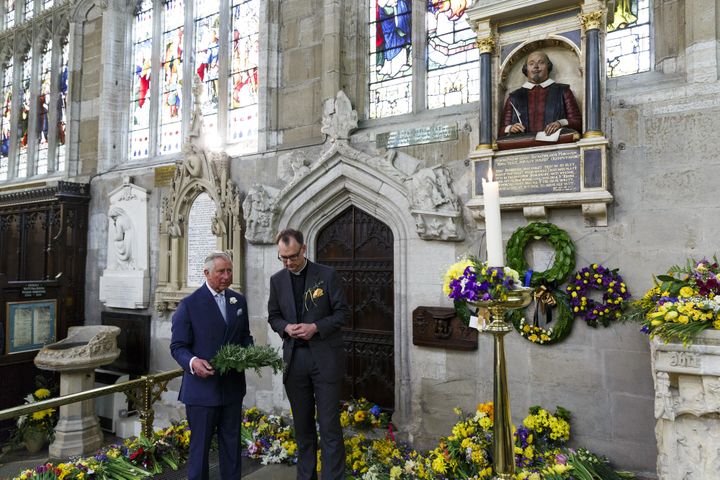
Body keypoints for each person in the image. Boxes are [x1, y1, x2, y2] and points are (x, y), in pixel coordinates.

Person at [268, 229, 349, 480]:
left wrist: (316, 327)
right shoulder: (277, 280)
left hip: (324, 359)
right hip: (295, 361)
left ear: (303, 249)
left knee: (329, 428)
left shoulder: (327, 275)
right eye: (283, 258)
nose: (288, 263)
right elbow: (273, 316)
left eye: (292, 256)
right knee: (302, 429)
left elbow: (342, 314)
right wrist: (285, 327)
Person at [170, 251, 253, 480]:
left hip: (232, 388)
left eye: (229, 271)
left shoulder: (238, 301)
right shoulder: (189, 305)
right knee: (200, 450)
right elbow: (177, 347)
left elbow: (245, 337)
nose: (226, 276)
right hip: (201, 392)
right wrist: (194, 362)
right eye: (221, 272)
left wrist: (250, 353)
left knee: (232, 447)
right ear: (206, 273)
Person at [499, 51, 582, 138]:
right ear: (526, 68)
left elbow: (577, 123)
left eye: (541, 62)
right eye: (531, 64)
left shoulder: (563, 91)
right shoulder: (514, 97)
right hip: (523, 146)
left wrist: (560, 123)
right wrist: (510, 128)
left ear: (548, 66)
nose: (536, 67)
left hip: (556, 146)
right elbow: (501, 131)